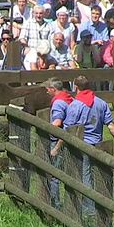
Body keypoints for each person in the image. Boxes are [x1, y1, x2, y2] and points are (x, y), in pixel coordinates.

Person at [63, 75, 114, 218]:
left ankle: (89, 210)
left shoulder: (75, 105)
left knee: (85, 177)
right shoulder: (101, 103)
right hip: (99, 145)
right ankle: (105, 206)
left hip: (81, 146)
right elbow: (110, 125)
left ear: (75, 87)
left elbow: (67, 128)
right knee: (102, 177)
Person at [46, 77, 74, 210]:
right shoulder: (69, 99)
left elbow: (57, 122)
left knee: (54, 174)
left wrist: (44, 129)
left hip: (58, 141)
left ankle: (55, 204)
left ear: (53, 89)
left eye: (47, 89)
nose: (46, 92)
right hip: (69, 140)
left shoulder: (58, 103)